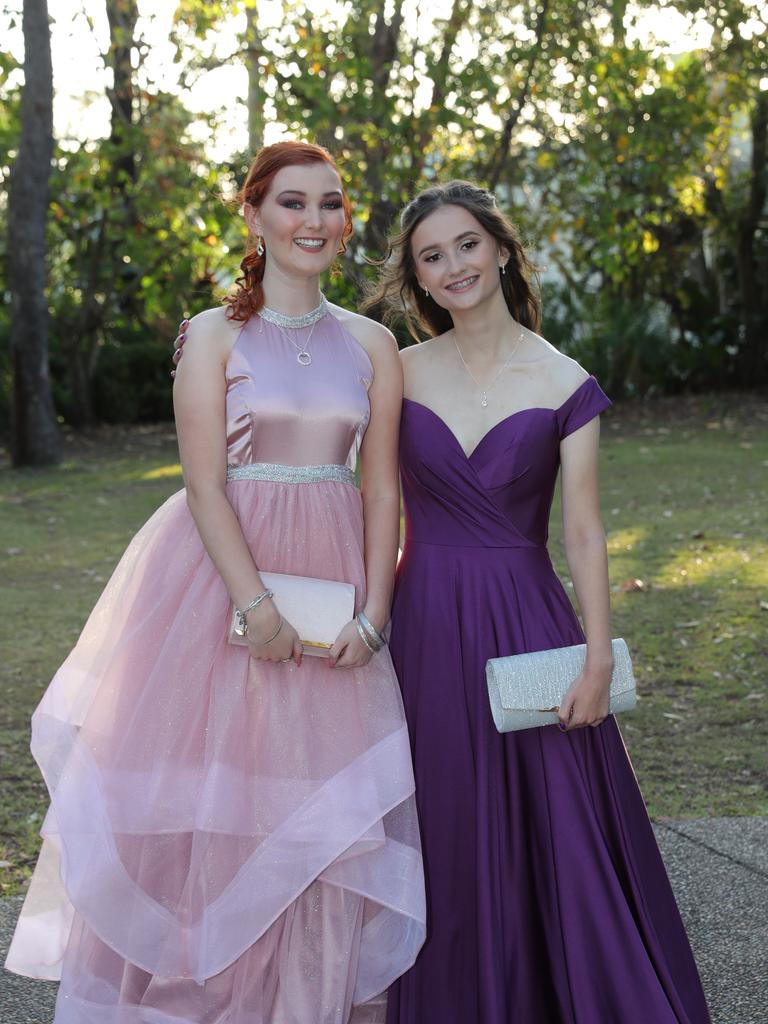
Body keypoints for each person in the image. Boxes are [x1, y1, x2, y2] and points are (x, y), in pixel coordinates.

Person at [5, 141, 425, 1024]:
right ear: (255, 215)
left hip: (337, 584)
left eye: (331, 204)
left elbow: (382, 485)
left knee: (324, 813)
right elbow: (203, 483)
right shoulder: (211, 333)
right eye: (293, 203)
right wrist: (256, 605)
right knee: (210, 810)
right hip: (216, 585)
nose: (315, 221)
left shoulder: (375, 343)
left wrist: (377, 612)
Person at [362, 181, 711, 1023]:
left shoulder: (565, 380)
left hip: (526, 620)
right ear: (416, 278)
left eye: (467, 246)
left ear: (503, 249)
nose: (455, 266)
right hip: (424, 623)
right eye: (431, 257)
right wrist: (229, 323)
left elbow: (584, 531)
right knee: (436, 816)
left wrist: (598, 658)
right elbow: (356, 478)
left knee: (550, 826)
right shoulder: (394, 370)